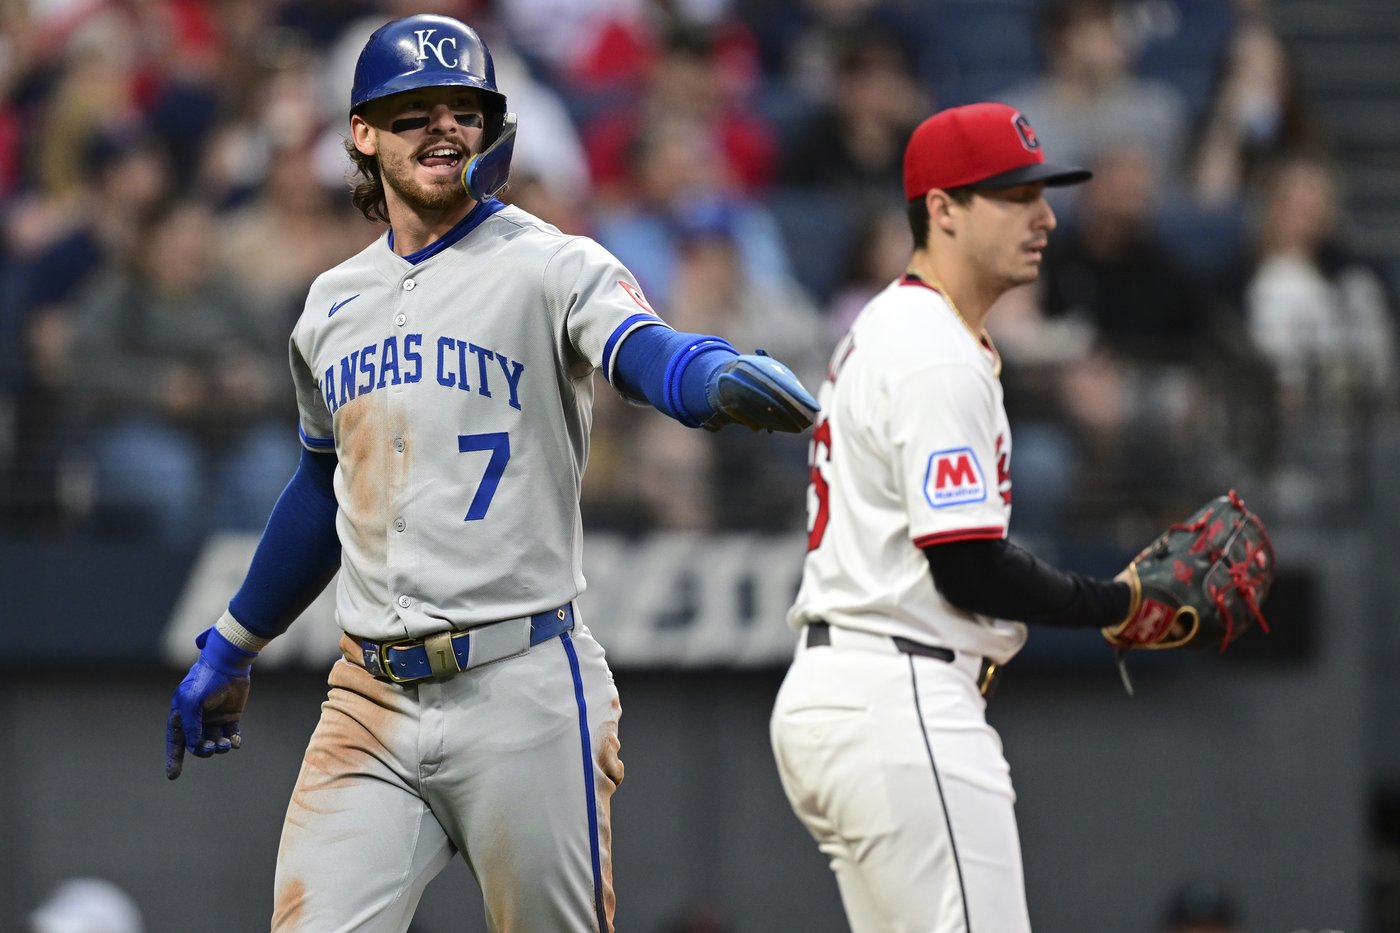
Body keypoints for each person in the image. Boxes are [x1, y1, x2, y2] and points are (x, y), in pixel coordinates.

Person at [161, 14, 817, 933]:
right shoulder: (330, 305)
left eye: (462, 110)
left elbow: (642, 348)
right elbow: (322, 486)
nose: (443, 127)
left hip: (522, 684)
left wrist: (705, 377)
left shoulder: (550, 262)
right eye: (414, 110)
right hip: (370, 697)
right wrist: (233, 643)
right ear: (362, 133)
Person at [769, 102, 1174, 931]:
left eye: (1043, 195)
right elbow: (967, 563)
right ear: (942, 209)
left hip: (856, 691)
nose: (1045, 217)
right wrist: (1116, 603)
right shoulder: (932, 350)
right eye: (1015, 196)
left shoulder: (900, 325)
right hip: (900, 692)